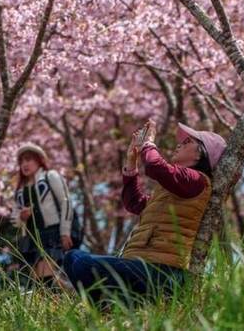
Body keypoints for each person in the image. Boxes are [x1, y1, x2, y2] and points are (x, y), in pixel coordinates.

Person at [63, 119, 224, 305]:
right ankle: (110, 307)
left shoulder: (197, 180)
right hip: (142, 265)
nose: (180, 144)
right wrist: (131, 164)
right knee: (72, 257)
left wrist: (148, 143)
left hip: (164, 273)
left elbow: (156, 167)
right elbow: (135, 203)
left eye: (188, 142)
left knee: (83, 265)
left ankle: (108, 308)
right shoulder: (172, 189)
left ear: (201, 155)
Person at [10, 143, 76, 286]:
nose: (24, 164)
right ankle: (68, 299)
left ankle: (72, 298)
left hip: (52, 233)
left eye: (28, 160)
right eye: (21, 161)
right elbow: (15, 218)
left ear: (39, 160)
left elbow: (66, 201)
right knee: (39, 282)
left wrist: (65, 232)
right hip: (32, 238)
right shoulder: (20, 190)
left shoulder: (50, 176)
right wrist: (22, 217)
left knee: (46, 277)